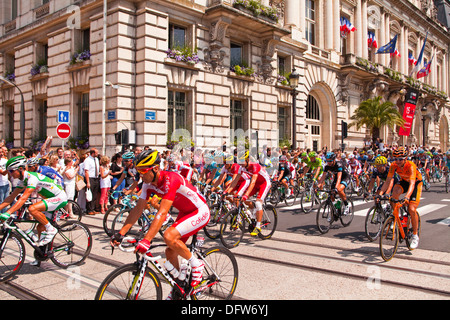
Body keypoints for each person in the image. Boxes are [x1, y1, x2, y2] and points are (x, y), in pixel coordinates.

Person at [110, 149, 210, 294]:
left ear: (155, 169)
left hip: (199, 210)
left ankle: (196, 264)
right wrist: (120, 233)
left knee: (168, 236)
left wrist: (147, 240)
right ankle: (178, 290)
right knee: (170, 252)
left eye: (143, 172)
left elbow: (162, 212)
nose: (140, 176)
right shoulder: (147, 184)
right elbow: (137, 209)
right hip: (185, 212)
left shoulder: (171, 179)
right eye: (138, 172)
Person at [0, 156, 68, 246]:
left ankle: (51, 229)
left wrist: (8, 213)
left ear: (20, 169)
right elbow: (11, 197)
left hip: (59, 197)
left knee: (32, 209)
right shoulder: (23, 180)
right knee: (40, 227)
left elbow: (23, 199)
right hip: (49, 199)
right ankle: (41, 255)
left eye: (12, 171)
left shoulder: (32, 178)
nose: (10, 174)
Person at [380, 146, 422, 249]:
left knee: (412, 209)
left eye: (400, 159)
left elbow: (412, 184)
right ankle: (396, 216)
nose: (398, 161)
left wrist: (407, 197)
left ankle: (415, 235)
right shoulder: (393, 165)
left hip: (415, 183)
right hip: (404, 181)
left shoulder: (411, 166)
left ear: (405, 158)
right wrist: (380, 193)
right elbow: (388, 181)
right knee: (394, 193)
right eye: (396, 159)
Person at [235, 150, 271, 236]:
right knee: (241, 199)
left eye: (242, 161)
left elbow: (253, 182)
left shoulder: (254, 166)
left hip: (264, 183)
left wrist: (246, 195)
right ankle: (253, 215)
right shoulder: (242, 167)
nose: (241, 164)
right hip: (256, 184)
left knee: (258, 202)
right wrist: (230, 191)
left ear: (247, 160)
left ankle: (258, 226)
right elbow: (235, 180)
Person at [317, 151, 351, 216]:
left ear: (334, 160)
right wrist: (318, 185)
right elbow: (323, 177)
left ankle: (346, 205)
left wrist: (336, 187)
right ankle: (336, 208)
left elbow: (339, 177)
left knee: (338, 189)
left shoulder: (339, 164)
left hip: (345, 177)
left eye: (330, 161)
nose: (328, 163)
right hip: (336, 177)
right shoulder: (327, 166)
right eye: (327, 161)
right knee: (331, 194)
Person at [84, 148, 100, 215]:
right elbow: (86, 171)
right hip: (90, 178)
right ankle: (89, 209)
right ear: (93, 153)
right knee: (89, 194)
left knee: (94, 194)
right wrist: (88, 182)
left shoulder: (96, 159)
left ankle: (93, 208)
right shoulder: (87, 160)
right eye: (96, 152)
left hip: (96, 178)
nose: (97, 154)